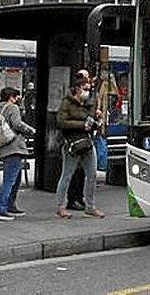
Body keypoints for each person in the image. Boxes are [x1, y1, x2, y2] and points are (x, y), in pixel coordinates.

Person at [55, 77, 105, 219]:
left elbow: (91, 122)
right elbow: (61, 122)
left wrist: (97, 120)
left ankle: (90, 206)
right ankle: (61, 206)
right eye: (85, 89)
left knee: (92, 174)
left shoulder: (89, 104)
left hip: (87, 142)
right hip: (73, 143)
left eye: (89, 89)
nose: (87, 92)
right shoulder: (67, 102)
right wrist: (81, 125)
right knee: (67, 174)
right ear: (77, 89)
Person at [0, 87, 36, 222]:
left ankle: (10, 206)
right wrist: (30, 130)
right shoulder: (13, 107)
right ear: (11, 97)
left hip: (5, 147)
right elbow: (17, 124)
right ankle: (1, 209)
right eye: (17, 96)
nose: (19, 98)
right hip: (14, 147)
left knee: (15, 179)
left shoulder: (0, 108)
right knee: (10, 181)